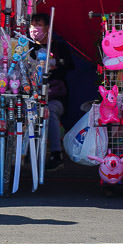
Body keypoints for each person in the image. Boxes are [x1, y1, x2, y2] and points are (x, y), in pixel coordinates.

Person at [28, 12, 74, 169]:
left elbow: (68, 65)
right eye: (32, 25)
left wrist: (54, 64)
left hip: (55, 97)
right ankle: (26, 152)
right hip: (31, 95)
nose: (35, 29)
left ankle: (56, 154)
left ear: (48, 27)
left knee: (49, 112)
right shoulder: (28, 47)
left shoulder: (59, 47)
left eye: (39, 25)